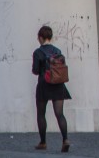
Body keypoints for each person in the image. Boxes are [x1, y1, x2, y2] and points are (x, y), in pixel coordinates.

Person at [32, 25, 71, 153]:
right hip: (58, 84)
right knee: (60, 114)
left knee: (41, 114)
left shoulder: (38, 52)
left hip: (44, 84)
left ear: (41, 38)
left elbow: (36, 71)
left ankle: (43, 142)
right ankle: (65, 139)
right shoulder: (57, 51)